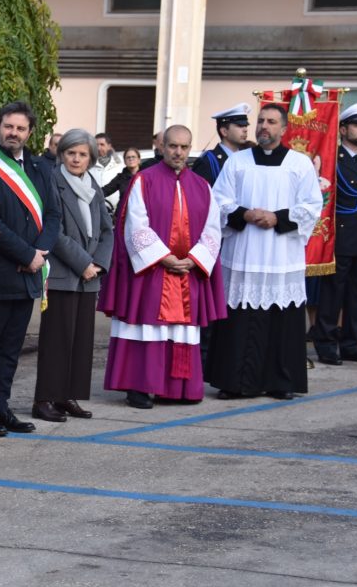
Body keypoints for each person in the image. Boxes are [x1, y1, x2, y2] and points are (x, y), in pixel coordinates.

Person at [98, 125, 225, 409]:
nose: (178, 152)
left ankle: (175, 389)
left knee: (180, 331)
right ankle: (140, 387)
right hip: (152, 270)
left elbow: (213, 230)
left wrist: (194, 259)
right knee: (147, 328)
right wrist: (163, 257)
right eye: (173, 146)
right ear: (162, 147)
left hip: (188, 272)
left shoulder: (202, 186)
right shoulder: (144, 180)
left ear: (189, 148)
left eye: (184, 147)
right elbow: (135, 225)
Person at [206, 104, 323, 400]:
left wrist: (277, 218)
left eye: (271, 122)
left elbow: (312, 206)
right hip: (244, 254)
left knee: (281, 322)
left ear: (284, 129)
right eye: (260, 121)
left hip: (281, 256)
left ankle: (280, 382)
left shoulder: (299, 164)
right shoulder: (237, 162)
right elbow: (218, 201)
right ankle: (235, 383)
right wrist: (244, 214)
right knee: (240, 322)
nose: (263, 127)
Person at [0, 102, 62, 436]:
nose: (13, 133)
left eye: (20, 128)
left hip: (31, 270)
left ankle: (1, 408)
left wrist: (41, 251)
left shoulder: (39, 166)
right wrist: (26, 254)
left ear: (30, 132)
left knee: (11, 347)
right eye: (8, 126)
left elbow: (53, 214)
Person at [32, 129, 113, 421]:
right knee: (56, 340)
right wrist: (84, 264)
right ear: (61, 154)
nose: (76, 159)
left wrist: (99, 264)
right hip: (64, 274)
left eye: (82, 154)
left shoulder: (92, 184)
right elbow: (54, 232)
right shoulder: (52, 182)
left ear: (91, 158)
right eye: (71, 153)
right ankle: (44, 399)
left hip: (89, 276)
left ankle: (67, 396)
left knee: (80, 341)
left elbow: (107, 229)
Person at [313, 103, 357, 365]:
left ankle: (351, 344)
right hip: (341, 237)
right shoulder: (334, 159)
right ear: (343, 129)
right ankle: (326, 344)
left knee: (356, 296)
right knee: (333, 295)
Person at [192, 102, 251, 186]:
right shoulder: (208, 162)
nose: (245, 130)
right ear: (224, 131)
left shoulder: (247, 159)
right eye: (240, 125)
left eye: (246, 125)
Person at [101, 146, 142, 216]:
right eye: (128, 157)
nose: (131, 159)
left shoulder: (146, 176)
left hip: (141, 215)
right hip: (123, 216)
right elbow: (105, 191)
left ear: (139, 160)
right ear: (125, 161)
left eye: (133, 157)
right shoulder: (120, 177)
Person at [90, 132, 126, 208]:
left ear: (109, 146)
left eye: (102, 144)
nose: (98, 148)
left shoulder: (120, 162)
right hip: (95, 207)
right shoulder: (88, 164)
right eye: (96, 145)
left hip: (116, 209)